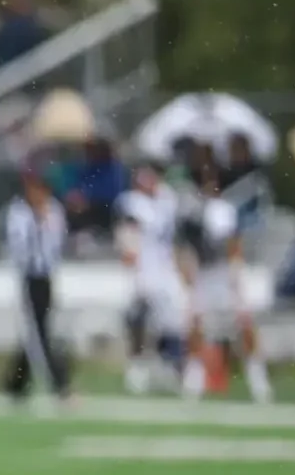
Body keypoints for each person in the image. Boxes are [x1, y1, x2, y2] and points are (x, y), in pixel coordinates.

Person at [178, 166, 271, 402]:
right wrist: (188, 273)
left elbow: (231, 244)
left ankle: (258, 379)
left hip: (222, 271)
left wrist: (235, 276)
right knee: (196, 325)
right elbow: (186, 246)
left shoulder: (222, 210)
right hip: (204, 273)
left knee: (243, 324)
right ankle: (194, 381)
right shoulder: (190, 209)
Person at [114, 160, 186, 394]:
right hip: (143, 266)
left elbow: (174, 237)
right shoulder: (132, 201)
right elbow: (128, 232)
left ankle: (170, 365)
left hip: (165, 267)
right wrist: (130, 258)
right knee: (139, 318)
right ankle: (137, 366)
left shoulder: (168, 199)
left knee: (173, 319)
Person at [1, 167, 71, 399]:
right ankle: (58, 383)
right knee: (37, 331)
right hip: (29, 276)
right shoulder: (18, 212)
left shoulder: (54, 211)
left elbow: (55, 245)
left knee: (37, 330)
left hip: (46, 275)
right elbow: (18, 247)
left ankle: (16, 383)